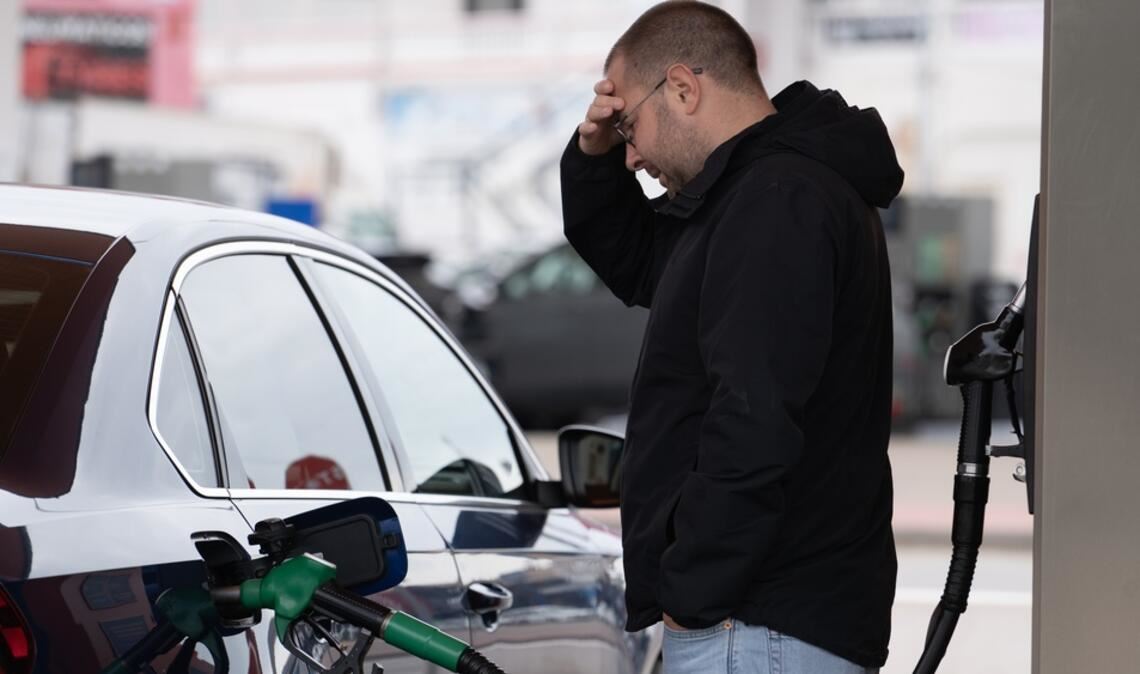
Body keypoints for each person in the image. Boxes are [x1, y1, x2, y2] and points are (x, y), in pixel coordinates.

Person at [559, 2, 903, 673]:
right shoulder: (754, 193)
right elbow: (638, 259)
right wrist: (592, 155)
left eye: (629, 126)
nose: (630, 155)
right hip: (761, 621)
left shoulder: (778, 198)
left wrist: (692, 589)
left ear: (684, 89)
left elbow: (753, 415)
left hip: (758, 622)